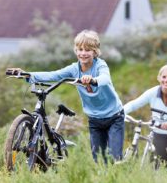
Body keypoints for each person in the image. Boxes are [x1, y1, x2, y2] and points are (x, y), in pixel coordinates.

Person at [8, 30, 124, 163]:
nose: (83, 53)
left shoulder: (100, 65)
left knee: (115, 156)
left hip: (114, 116)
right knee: (98, 159)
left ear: (95, 52)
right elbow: (53, 75)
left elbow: (105, 78)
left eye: (88, 50)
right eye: (80, 49)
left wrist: (93, 79)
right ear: (76, 50)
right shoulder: (74, 69)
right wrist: (28, 75)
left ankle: (118, 175)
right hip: (95, 119)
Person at [123, 64, 167, 161]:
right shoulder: (152, 92)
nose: (166, 80)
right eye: (164, 77)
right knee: (157, 165)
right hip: (158, 134)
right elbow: (134, 104)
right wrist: (120, 112)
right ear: (159, 78)